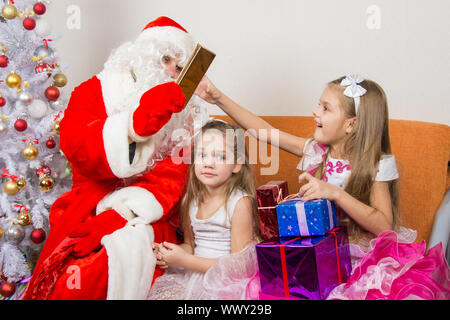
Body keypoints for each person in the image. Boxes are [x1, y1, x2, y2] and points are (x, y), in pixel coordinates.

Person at [195, 75, 450, 300]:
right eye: (319, 104)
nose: (315, 112)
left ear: (350, 124)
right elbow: (264, 132)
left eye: (326, 108)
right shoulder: (316, 153)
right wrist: (217, 97)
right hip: (316, 258)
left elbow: (384, 225)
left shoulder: (375, 164)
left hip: (359, 262)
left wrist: (335, 193)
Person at [23, 16, 209, 300]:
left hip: (146, 211)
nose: (171, 70)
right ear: (143, 54)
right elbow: (76, 146)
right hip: (87, 201)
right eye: (166, 58)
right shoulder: (93, 90)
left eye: (180, 67)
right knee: (71, 275)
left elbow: (173, 178)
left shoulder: (183, 115)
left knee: (110, 261)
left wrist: (119, 215)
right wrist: (132, 127)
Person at [147, 120, 261, 300]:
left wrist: (184, 261)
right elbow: (190, 246)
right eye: (202, 155)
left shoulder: (239, 203)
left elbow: (237, 268)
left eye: (221, 157)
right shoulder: (190, 200)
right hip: (192, 274)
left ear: (237, 165)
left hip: (225, 282)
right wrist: (170, 253)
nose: (208, 163)